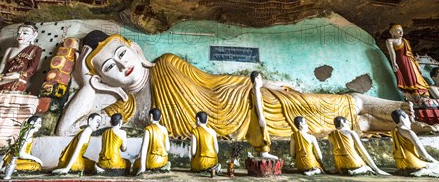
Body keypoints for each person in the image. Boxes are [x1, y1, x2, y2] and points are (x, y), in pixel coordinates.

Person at [56, 31, 414, 139]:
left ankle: (397, 109)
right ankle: (395, 126)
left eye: (121, 55)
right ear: (105, 78)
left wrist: (262, 82)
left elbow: (213, 81)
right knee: (325, 129)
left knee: (316, 104)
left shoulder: (165, 63)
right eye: (110, 68)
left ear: (135, 49)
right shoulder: (127, 108)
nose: (123, 67)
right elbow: (65, 129)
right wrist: (90, 86)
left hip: (246, 100)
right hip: (241, 132)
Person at [391, 110, 439, 177]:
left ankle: (421, 170)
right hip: (413, 163)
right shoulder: (409, 132)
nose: (409, 121)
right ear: (402, 119)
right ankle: (423, 171)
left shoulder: (394, 130)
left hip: (401, 164)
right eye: (408, 118)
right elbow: (423, 154)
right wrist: (434, 161)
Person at [0, 22, 41, 92]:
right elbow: (1, 68)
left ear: (34, 35)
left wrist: (18, 75)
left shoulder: (35, 49)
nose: (20, 35)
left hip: (18, 80)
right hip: (3, 78)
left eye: (25, 33)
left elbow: (32, 68)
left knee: (12, 88)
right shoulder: (10, 49)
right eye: (18, 33)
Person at [385, 24, 429, 95]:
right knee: (408, 76)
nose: (401, 33)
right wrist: (394, 63)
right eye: (398, 31)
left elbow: (410, 54)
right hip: (401, 61)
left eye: (402, 31)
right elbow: (392, 53)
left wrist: (416, 64)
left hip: (410, 61)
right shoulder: (390, 41)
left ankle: (422, 93)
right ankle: (412, 93)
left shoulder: (405, 41)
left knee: (416, 76)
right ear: (392, 32)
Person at [247, 71, 277, 159]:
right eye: (260, 78)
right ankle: (264, 151)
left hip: (255, 113)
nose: (261, 81)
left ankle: (261, 151)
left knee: (259, 132)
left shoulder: (253, 89)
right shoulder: (256, 88)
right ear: (256, 79)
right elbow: (258, 103)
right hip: (257, 113)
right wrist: (261, 117)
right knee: (262, 131)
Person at [133, 108, 170, 175]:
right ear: (161, 117)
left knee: (136, 163)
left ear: (151, 116)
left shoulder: (148, 129)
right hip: (164, 159)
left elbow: (144, 149)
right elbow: (167, 148)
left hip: (152, 162)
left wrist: (142, 167)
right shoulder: (164, 129)